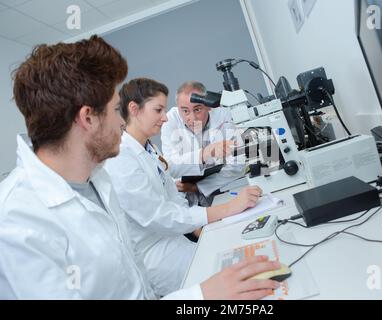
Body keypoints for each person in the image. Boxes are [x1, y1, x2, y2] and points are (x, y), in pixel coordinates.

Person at [0, 36, 281, 299]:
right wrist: (200, 296)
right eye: (114, 110)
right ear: (88, 118)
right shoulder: (18, 223)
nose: (122, 123)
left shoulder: (95, 177)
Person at [104, 78, 263, 297]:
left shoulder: (148, 148)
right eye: (159, 110)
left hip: (175, 240)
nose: (164, 117)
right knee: (233, 281)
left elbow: (172, 190)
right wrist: (229, 208)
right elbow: (159, 216)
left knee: (237, 267)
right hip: (156, 256)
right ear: (134, 109)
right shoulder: (121, 157)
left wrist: (205, 232)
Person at [161, 81, 246, 207]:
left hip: (219, 187)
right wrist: (204, 154)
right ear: (178, 108)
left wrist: (198, 187)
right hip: (182, 195)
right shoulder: (169, 121)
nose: (192, 118)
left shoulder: (224, 115)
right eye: (185, 111)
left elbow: (239, 164)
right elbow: (170, 166)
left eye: (198, 109)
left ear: (208, 106)